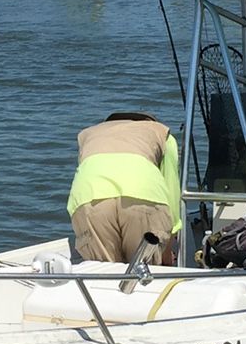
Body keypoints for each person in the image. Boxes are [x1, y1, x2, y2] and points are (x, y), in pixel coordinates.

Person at [67, 110, 180, 265]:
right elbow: (172, 194)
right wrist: (167, 254)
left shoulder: (89, 135)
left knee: (105, 273)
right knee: (144, 273)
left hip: (89, 197)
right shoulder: (162, 134)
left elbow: (87, 174)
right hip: (143, 193)